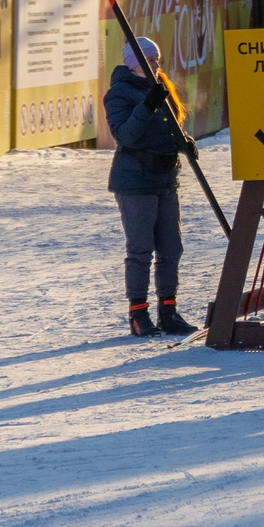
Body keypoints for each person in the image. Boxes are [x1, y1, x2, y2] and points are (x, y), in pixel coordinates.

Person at [103, 34, 200, 336]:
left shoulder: (160, 89)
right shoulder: (119, 94)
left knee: (171, 247)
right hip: (135, 181)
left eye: (157, 60)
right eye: (149, 60)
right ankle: (138, 313)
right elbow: (125, 135)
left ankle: (168, 311)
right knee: (141, 249)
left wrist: (185, 143)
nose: (156, 65)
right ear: (134, 64)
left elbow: (169, 129)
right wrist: (147, 106)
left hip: (165, 178)